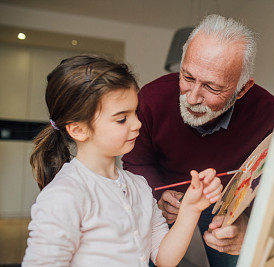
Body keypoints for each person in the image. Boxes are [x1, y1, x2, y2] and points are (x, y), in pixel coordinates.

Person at [23, 55, 222, 266]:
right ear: (79, 130)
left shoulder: (139, 186)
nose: (137, 124)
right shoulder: (65, 195)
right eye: (121, 118)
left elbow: (164, 258)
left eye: (136, 112)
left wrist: (191, 208)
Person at [122, 14, 274, 266]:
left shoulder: (267, 112)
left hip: (225, 206)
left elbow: (272, 183)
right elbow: (136, 164)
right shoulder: (150, 100)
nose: (193, 97)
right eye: (187, 77)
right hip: (164, 198)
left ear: (243, 89)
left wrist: (247, 227)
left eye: (212, 88)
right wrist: (156, 195)